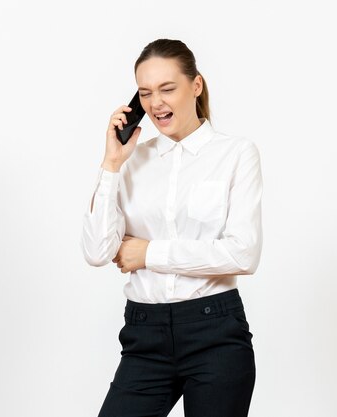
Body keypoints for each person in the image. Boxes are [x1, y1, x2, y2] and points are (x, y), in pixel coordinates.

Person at [80, 38, 263, 417]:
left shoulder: (235, 154)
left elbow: (242, 253)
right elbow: (98, 251)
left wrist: (148, 253)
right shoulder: (132, 159)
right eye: (145, 93)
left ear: (195, 86)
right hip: (144, 335)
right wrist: (111, 163)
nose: (155, 103)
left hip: (215, 333)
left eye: (167, 89)